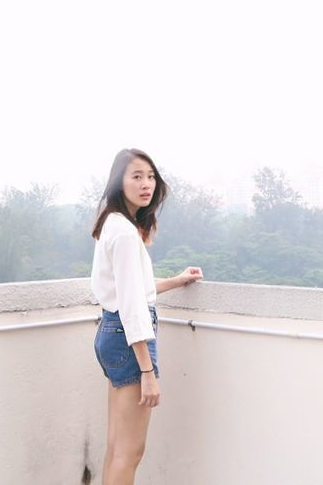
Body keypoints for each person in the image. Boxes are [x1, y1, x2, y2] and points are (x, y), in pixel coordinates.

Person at [90, 148, 203, 484]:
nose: (146, 184)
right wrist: (147, 371)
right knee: (130, 453)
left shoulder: (114, 223)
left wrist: (176, 280)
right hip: (129, 341)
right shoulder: (124, 232)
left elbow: (132, 289)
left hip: (111, 334)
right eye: (136, 176)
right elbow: (132, 306)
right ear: (118, 182)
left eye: (150, 176)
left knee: (116, 448)